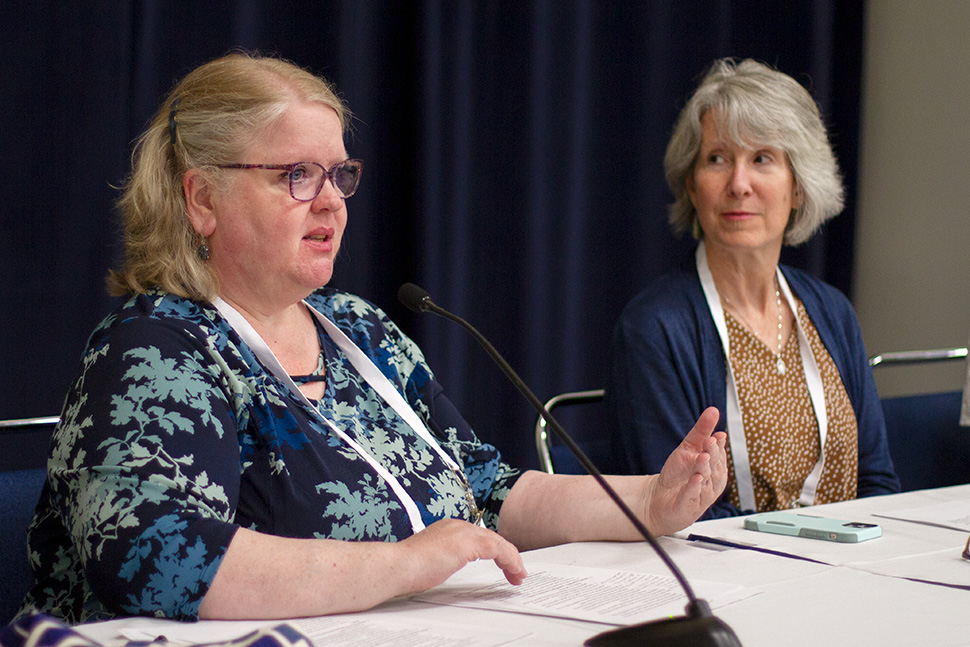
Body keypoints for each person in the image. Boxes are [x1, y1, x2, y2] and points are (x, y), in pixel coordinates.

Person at [18, 52, 728, 625]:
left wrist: (651, 501)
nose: (330, 200)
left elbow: (486, 489)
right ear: (201, 198)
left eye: (339, 175)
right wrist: (405, 563)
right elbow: (155, 559)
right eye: (296, 175)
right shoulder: (154, 351)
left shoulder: (360, 331)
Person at [607, 58, 899, 520]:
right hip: (729, 583)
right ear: (692, 184)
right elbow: (679, 512)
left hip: (850, 576)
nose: (738, 184)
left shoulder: (832, 311)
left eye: (762, 159)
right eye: (717, 159)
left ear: (798, 187)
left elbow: (879, 482)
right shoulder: (654, 328)